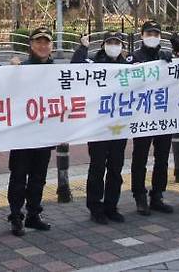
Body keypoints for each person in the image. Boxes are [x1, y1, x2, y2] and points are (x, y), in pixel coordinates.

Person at [72, 32, 128, 224]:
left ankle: (112, 206)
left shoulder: (129, 66)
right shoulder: (93, 64)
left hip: (120, 126)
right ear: (104, 45)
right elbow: (74, 69)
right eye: (110, 42)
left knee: (115, 168)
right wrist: (82, 48)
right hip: (97, 127)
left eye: (117, 43)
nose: (114, 45)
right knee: (97, 168)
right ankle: (95, 207)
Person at [6, 27, 55, 236]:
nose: (42, 46)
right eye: (38, 42)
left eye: (46, 42)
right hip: (22, 135)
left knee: (38, 177)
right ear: (30, 45)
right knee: (18, 176)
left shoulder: (58, 72)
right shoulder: (20, 68)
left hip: (44, 134)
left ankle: (34, 214)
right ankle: (16, 216)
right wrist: (11, 70)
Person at [127, 20, 174, 216]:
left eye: (156, 33)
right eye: (149, 33)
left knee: (162, 158)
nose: (153, 37)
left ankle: (158, 195)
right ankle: (139, 196)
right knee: (140, 158)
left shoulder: (166, 57)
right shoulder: (134, 57)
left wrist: (173, 57)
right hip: (142, 116)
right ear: (142, 35)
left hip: (164, 114)